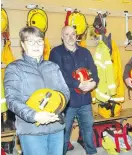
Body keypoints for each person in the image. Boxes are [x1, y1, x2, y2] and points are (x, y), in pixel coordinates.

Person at [4, 26, 70, 155]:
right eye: (30, 41)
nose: (36, 45)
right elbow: (12, 100)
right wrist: (35, 115)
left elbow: (64, 92)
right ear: (23, 45)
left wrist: (55, 110)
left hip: (56, 127)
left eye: (39, 41)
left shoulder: (52, 66)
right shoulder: (14, 68)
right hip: (31, 130)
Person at [49, 26, 99, 155]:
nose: (70, 37)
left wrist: (93, 83)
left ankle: (91, 152)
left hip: (85, 100)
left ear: (76, 36)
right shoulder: (55, 52)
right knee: (64, 134)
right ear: (62, 36)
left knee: (88, 131)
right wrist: (78, 84)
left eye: (73, 34)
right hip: (67, 102)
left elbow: (93, 70)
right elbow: (59, 74)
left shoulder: (85, 52)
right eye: (67, 34)